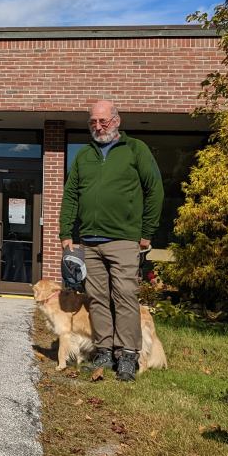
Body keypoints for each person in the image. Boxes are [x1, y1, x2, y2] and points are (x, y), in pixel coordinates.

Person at [59, 100, 163, 381]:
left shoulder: (135, 149)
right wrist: (66, 233)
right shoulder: (83, 155)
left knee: (126, 296)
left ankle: (128, 355)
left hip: (124, 239)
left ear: (117, 120)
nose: (98, 127)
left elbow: (155, 190)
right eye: (93, 122)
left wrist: (146, 233)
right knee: (97, 298)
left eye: (103, 121)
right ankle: (104, 351)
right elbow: (71, 195)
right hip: (90, 242)